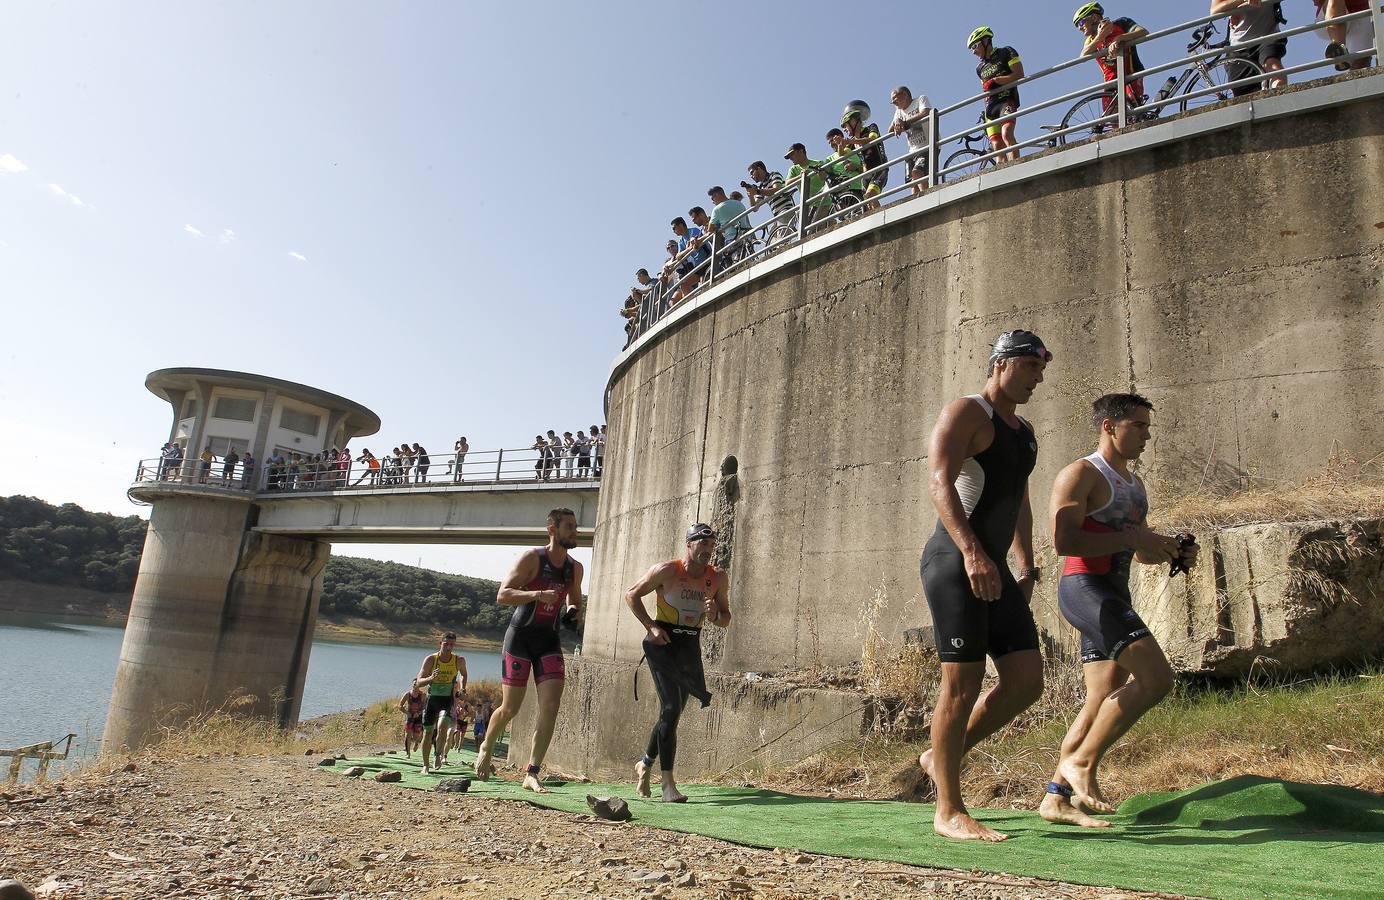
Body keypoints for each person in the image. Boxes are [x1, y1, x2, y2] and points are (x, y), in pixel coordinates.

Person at [1039, 394, 1198, 827]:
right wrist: (1132, 541)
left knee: (1099, 699)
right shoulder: (1081, 474)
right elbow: (1064, 542)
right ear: (1110, 426)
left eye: (1148, 426)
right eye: (1139, 426)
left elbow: (1139, 548)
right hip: (1084, 589)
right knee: (1157, 679)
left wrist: (1170, 551)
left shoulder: (1134, 485)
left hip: (1113, 594)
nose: (1147, 435)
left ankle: (1055, 798)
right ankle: (1083, 764)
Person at [918, 329, 1052, 842]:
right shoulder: (968, 413)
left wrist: (1026, 565)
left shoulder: (1025, 432)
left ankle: (939, 756)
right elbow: (939, 481)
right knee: (962, 685)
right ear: (1002, 363)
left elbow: (1018, 497)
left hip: (995, 566)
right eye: (1032, 367)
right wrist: (973, 552)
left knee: (1025, 680)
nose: (1039, 377)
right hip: (955, 562)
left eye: (1042, 369)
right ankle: (948, 810)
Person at [474, 508, 585, 793]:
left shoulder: (575, 567)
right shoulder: (532, 559)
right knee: (510, 708)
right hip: (520, 639)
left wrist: (573, 613)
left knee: (550, 706)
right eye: (569, 527)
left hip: (549, 641)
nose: (575, 532)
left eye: (576, 527)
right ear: (552, 529)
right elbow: (502, 594)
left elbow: (574, 600)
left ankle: (532, 772)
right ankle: (486, 745)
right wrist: (536, 594)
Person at [624, 523, 732, 802]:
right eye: (702, 544)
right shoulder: (668, 570)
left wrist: (713, 615)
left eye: (711, 546)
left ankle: (645, 763)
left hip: (689, 646)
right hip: (662, 642)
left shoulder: (718, 577)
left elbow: (725, 619)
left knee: (671, 714)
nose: (707, 550)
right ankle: (668, 785)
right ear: (689, 544)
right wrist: (650, 627)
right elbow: (632, 595)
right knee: (671, 707)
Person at [1073, 4, 1148, 119]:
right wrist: (1101, 36)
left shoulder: (1121, 23)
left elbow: (1143, 32)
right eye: (1077, 25)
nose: (1079, 27)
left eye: (1081, 22)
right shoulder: (1090, 40)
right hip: (1111, 80)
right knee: (1111, 116)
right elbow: (1083, 55)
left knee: (1135, 111)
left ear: (1094, 17)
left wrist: (1120, 38)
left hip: (1131, 73)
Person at [968, 27, 1025, 163]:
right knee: (997, 146)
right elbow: (985, 90)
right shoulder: (979, 68)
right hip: (991, 106)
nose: (973, 51)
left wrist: (997, 81)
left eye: (974, 46)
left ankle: (1016, 166)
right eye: (971, 49)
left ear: (986, 41)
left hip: (1006, 99)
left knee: (1007, 134)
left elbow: (1019, 74)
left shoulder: (1006, 52)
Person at [414, 631, 468, 774]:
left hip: (446, 699)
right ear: (440, 643)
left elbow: (463, 674)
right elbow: (419, 682)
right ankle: (425, 765)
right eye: (446, 644)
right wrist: (430, 678)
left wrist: (463, 688)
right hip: (432, 699)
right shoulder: (431, 659)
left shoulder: (458, 660)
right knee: (428, 733)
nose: (449, 647)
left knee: (443, 727)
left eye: (452, 644)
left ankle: (437, 755)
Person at [1213, 0, 1287, 93]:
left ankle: (1280, 96)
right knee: (1242, 92)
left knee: (1272, 64)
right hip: (1238, 46)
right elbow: (1214, 10)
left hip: (1267, 36)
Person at [840, 101, 889, 210]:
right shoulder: (853, 141)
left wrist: (851, 142)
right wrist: (840, 144)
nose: (844, 130)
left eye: (845, 125)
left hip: (879, 169)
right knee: (867, 202)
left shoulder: (870, 128)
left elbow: (872, 139)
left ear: (854, 122)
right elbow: (842, 154)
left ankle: (880, 217)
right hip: (866, 174)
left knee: (871, 195)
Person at [890, 86, 934, 194]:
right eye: (892, 101)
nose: (894, 102)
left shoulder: (920, 100)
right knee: (912, 183)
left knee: (917, 172)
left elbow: (926, 112)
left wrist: (905, 122)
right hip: (912, 150)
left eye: (895, 99)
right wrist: (897, 121)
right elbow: (890, 130)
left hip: (927, 145)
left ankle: (928, 197)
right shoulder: (898, 112)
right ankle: (918, 205)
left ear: (905, 95)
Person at [782, 142, 833, 228]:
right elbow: (787, 183)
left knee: (826, 226)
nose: (791, 158)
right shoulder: (794, 169)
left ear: (801, 151)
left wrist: (819, 171)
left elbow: (825, 178)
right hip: (808, 205)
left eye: (792, 155)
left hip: (824, 201)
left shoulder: (818, 163)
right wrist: (801, 176)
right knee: (813, 229)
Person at [1314, 0, 1374, 71]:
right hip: (1329, 16)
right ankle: (1339, 49)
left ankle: (1340, 53)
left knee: (1361, 62)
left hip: (1361, 13)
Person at [742, 160, 797, 236]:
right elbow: (755, 208)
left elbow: (777, 189)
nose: (751, 176)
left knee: (782, 240)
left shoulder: (774, 175)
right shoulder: (761, 186)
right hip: (777, 215)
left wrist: (757, 191)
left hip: (785, 210)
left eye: (752, 172)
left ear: (759, 169)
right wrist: (751, 196)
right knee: (772, 243)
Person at [823, 128, 866, 210]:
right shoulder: (829, 159)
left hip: (856, 189)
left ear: (839, 137)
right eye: (829, 143)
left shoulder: (852, 151)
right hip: (840, 194)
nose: (831, 144)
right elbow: (825, 174)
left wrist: (856, 167)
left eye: (832, 140)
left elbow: (864, 170)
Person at [706, 186, 751, 265]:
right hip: (747, 235)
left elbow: (710, 229)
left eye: (713, 198)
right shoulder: (739, 203)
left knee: (734, 264)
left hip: (732, 239)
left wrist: (719, 228)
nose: (713, 202)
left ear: (717, 195)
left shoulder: (717, 209)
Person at [670, 216, 710, 300]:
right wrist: (688, 249)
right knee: (683, 283)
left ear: (681, 225)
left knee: (703, 283)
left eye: (674, 228)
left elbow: (696, 244)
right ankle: (688, 302)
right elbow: (678, 256)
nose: (673, 231)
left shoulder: (693, 231)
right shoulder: (681, 240)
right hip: (697, 267)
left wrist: (689, 248)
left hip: (706, 261)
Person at [398, 680, 427, 758]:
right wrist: (407, 712)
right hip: (409, 717)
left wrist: (419, 713)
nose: (415, 686)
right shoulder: (407, 694)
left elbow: (424, 707)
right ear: (412, 685)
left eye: (417, 684)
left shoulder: (423, 695)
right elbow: (400, 706)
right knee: (408, 735)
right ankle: (408, 753)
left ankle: (417, 742)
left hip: (418, 717)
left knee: (415, 736)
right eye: (414, 684)